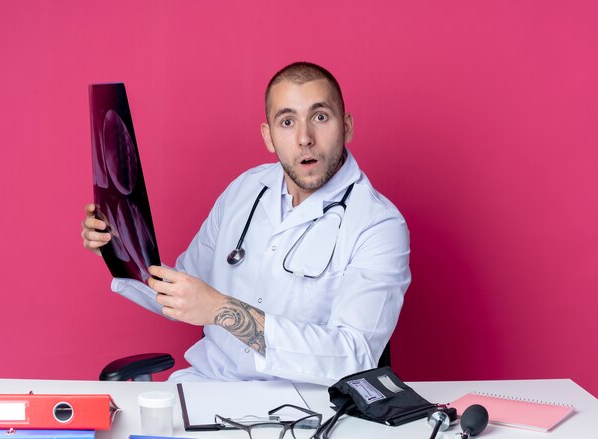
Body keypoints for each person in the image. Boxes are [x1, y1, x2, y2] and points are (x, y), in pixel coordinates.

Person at [81, 62, 411, 386]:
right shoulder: (245, 190)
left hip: (306, 408)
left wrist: (222, 309)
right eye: (287, 122)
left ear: (347, 126)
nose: (305, 137)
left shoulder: (378, 224)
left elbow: (355, 354)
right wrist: (118, 250)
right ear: (268, 136)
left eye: (320, 117)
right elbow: (185, 291)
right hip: (206, 387)